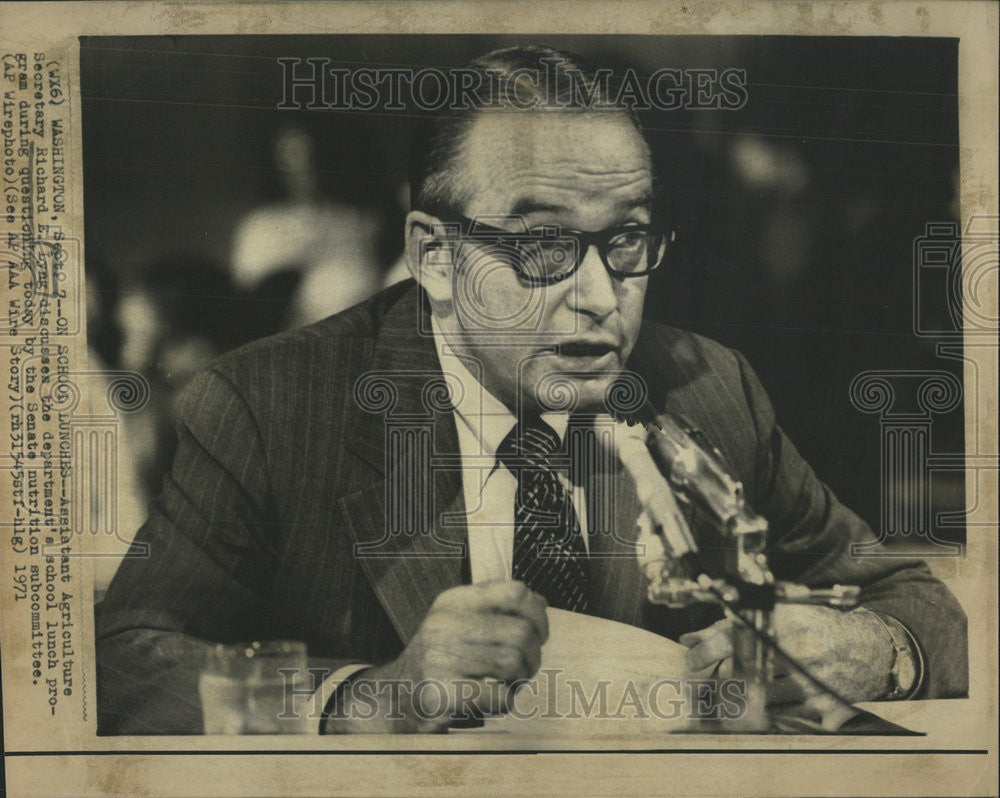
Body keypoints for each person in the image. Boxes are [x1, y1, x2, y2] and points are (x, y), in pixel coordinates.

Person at [96, 45, 967, 736]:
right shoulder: (270, 406)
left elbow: (922, 606)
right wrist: (368, 701)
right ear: (435, 257)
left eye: (626, 240)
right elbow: (123, 665)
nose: (598, 294)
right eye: (543, 247)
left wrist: (870, 650)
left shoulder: (707, 388)